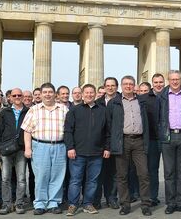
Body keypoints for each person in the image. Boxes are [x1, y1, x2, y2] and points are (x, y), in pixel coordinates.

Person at [22, 83, 69, 215]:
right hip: (40, 146)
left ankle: (54, 202)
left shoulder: (64, 109)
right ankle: (40, 203)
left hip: (60, 146)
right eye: (45, 92)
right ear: (40, 94)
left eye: (50, 92)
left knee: (57, 175)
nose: (48, 94)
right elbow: (27, 131)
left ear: (55, 94)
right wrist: (28, 148)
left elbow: (70, 130)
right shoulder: (34, 110)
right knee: (41, 175)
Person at [64, 84, 110, 216]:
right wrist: (70, 147)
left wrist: (107, 148)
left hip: (97, 153)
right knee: (75, 180)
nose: (89, 95)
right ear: (82, 94)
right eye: (87, 92)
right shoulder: (74, 110)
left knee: (92, 181)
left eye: (91, 92)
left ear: (95, 94)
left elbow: (107, 131)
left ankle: (87, 203)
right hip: (78, 153)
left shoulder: (102, 110)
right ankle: (73, 204)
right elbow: (68, 131)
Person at [109, 76, 152, 216]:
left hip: (139, 141)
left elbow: (146, 121)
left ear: (134, 86)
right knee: (122, 175)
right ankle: (125, 204)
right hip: (123, 141)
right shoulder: (114, 102)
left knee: (144, 174)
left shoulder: (141, 101)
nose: (128, 86)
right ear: (121, 86)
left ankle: (145, 204)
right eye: (125, 84)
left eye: (131, 84)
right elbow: (109, 125)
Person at [157, 70, 181, 214]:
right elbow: (158, 118)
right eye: (172, 79)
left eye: (177, 79)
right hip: (168, 137)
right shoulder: (161, 96)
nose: (174, 81)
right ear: (168, 80)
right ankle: (171, 203)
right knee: (169, 172)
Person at [0, 88, 29, 215]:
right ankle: (7, 204)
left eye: (20, 95)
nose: (17, 97)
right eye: (15, 95)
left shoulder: (29, 111)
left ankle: (19, 203)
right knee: (5, 178)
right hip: (6, 149)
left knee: (21, 178)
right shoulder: (5, 112)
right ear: (10, 97)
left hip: (21, 149)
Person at [93, 77, 120, 209]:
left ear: (116, 87)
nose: (110, 88)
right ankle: (96, 200)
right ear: (104, 87)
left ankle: (112, 198)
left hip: (116, 142)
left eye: (113, 85)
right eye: (107, 85)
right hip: (99, 143)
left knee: (113, 173)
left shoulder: (121, 101)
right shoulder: (97, 103)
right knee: (98, 173)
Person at [144, 73, 164, 206]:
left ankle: (176, 198)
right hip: (152, 139)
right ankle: (152, 197)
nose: (158, 84)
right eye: (156, 82)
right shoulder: (143, 98)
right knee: (152, 170)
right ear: (152, 84)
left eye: (160, 82)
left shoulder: (170, 96)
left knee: (171, 170)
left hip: (168, 138)